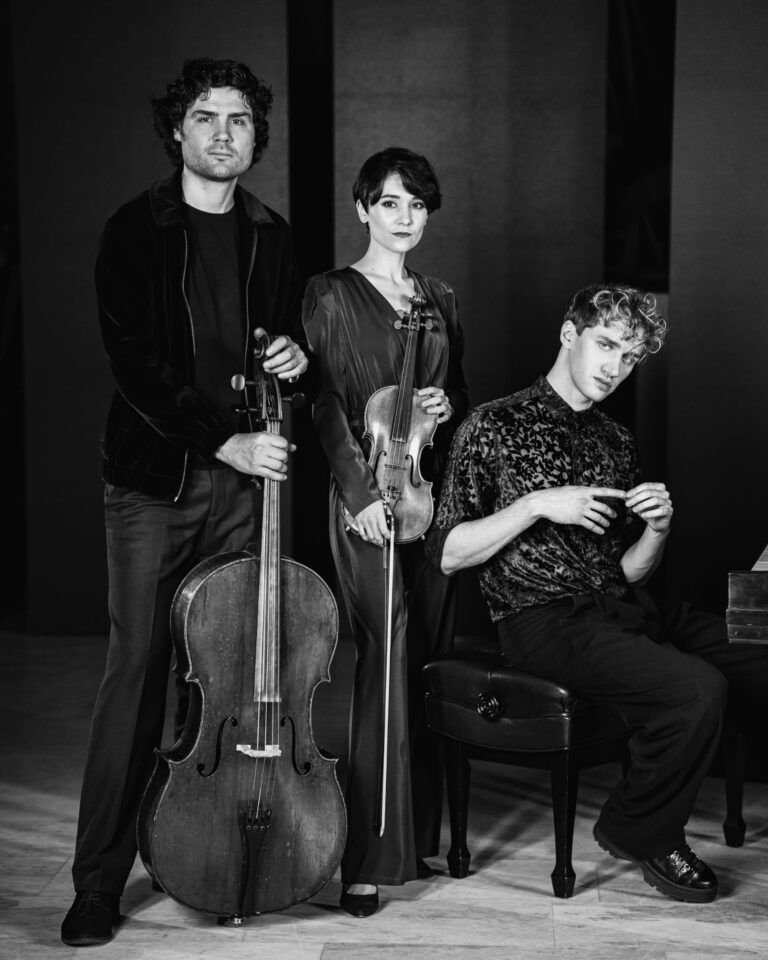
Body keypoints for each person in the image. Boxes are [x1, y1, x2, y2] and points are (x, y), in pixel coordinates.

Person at [61, 58, 307, 947]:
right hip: (155, 484)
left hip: (243, 486)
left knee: (217, 675)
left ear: (255, 136)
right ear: (177, 130)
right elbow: (136, 366)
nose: (223, 134)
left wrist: (295, 362)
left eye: (239, 120)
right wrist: (222, 440)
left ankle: (198, 852)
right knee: (138, 670)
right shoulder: (135, 230)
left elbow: (287, 352)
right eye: (206, 117)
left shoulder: (272, 235)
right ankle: (98, 883)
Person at [426, 283, 768, 904]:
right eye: (606, 345)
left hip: (620, 608)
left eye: (629, 357)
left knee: (756, 648)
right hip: (543, 620)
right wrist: (536, 505)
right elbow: (447, 552)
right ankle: (642, 829)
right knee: (698, 688)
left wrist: (658, 529)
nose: (615, 367)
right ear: (569, 334)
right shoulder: (491, 425)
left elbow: (629, 572)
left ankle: (656, 801)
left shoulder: (615, 439)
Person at [302, 147, 468, 917]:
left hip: (426, 498)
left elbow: (457, 394)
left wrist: (444, 407)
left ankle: (414, 838)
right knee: (385, 655)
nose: (406, 218)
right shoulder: (332, 293)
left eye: (418, 205)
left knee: (425, 655)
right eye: (392, 203)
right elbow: (326, 403)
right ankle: (364, 858)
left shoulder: (441, 298)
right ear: (363, 208)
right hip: (366, 499)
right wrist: (360, 492)